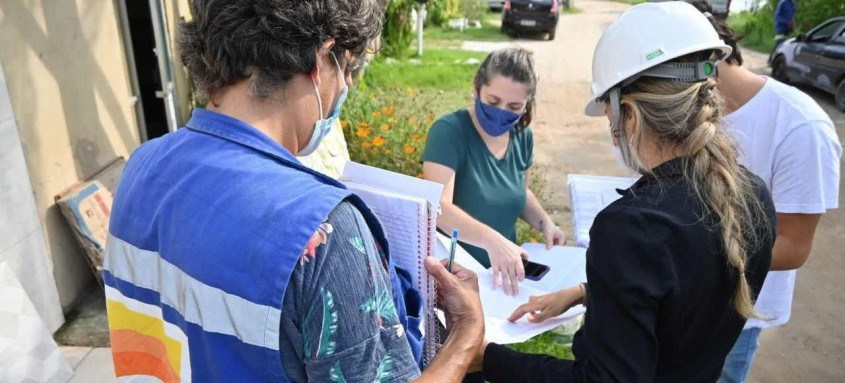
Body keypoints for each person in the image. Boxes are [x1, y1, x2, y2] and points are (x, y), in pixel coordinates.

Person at [103, 1, 483, 382]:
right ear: (320, 61)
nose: (347, 85)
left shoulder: (143, 165)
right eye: (347, 68)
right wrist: (465, 336)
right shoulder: (324, 228)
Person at [468, 3, 778, 382]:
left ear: (628, 112)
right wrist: (587, 292)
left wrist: (489, 357)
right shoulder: (751, 194)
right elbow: (683, 294)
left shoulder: (632, 227)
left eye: (609, 113)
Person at [687, 2, 843, 382]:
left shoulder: (800, 126)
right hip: (677, 297)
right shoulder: (684, 107)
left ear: (703, 59)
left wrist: (685, 254)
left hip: (735, 313)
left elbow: (792, 245)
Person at [421, 48, 566, 296]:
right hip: (455, 279)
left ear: (526, 105)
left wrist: (546, 224)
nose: (501, 112)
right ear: (476, 88)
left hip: (503, 278)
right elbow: (440, 208)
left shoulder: (522, 135)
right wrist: (494, 241)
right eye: (493, 101)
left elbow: (520, 192)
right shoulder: (448, 132)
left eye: (514, 106)